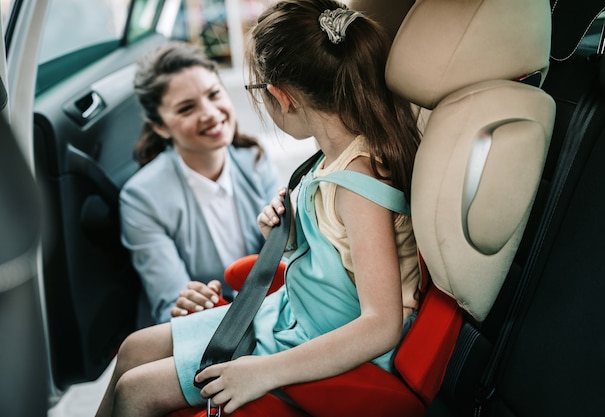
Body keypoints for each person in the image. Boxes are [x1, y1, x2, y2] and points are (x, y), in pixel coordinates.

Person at [95, 1, 420, 415]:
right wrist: (285, 236)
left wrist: (263, 371)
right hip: (292, 312)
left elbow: (381, 324)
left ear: (281, 97)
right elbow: (336, 256)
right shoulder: (325, 161)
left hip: (323, 337)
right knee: (134, 347)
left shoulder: (358, 182)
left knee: (136, 391)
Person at [120, 41, 281, 327]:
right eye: (186, 109)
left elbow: (284, 252)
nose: (209, 113)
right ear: (160, 126)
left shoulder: (254, 159)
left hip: (270, 312)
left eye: (213, 94)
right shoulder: (142, 197)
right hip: (203, 326)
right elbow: (171, 303)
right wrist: (189, 304)